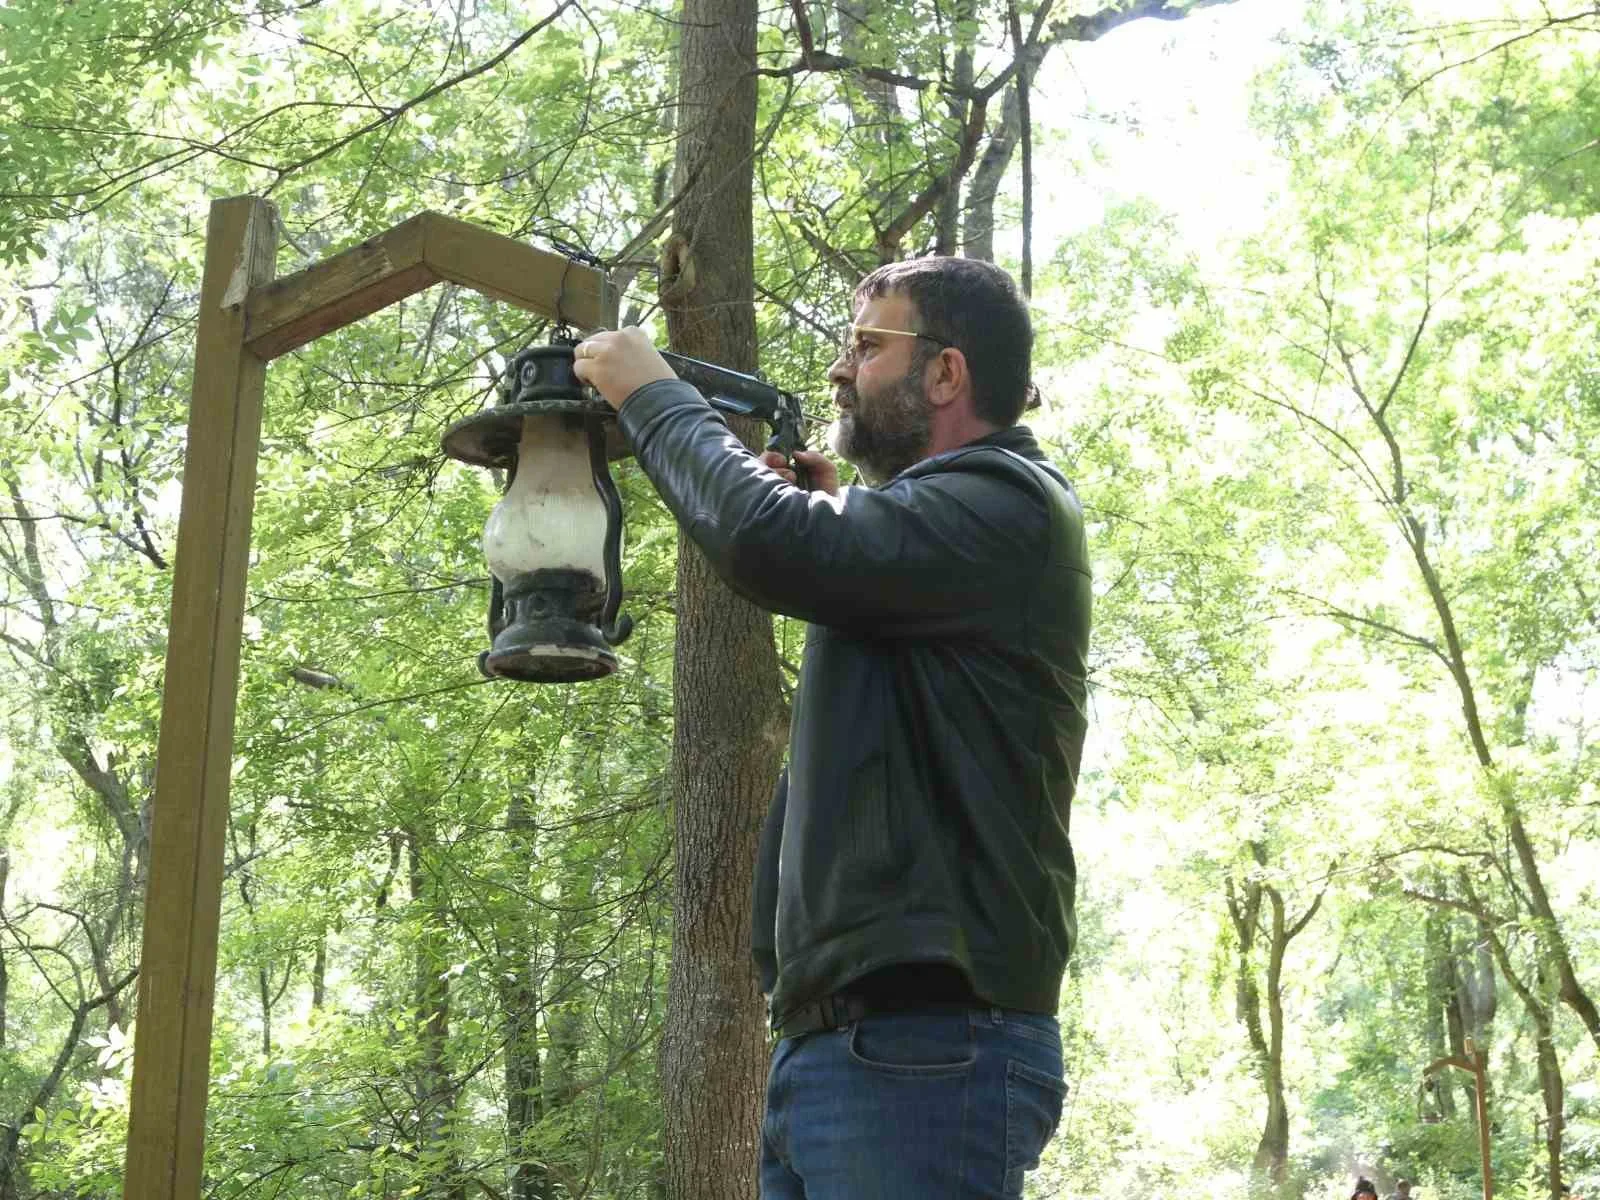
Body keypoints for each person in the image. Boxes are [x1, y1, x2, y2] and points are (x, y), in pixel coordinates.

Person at [573, 256, 1091, 1199]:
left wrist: (652, 394)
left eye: (865, 345)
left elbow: (773, 542)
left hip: (924, 1052)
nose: (840, 371)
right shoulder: (951, 527)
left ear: (946, 373)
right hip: (854, 1052)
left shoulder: (1009, 503)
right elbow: (822, 547)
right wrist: (836, 508)